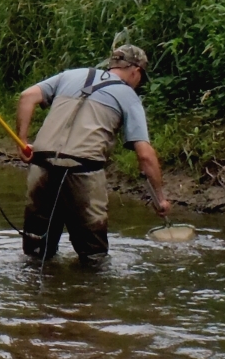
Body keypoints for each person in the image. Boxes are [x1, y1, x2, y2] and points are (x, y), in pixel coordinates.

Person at [14, 45, 170, 264]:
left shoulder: (71, 75)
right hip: (83, 173)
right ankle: (89, 295)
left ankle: (32, 295)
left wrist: (21, 141)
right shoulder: (128, 96)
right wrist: (160, 198)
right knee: (94, 258)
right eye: (141, 78)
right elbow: (145, 155)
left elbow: (27, 96)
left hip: (41, 167)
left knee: (36, 253)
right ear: (136, 71)